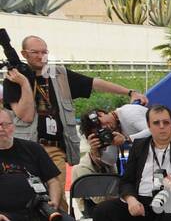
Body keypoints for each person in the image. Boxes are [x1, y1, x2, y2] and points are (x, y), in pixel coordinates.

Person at [4, 35, 146, 174]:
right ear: (24, 54)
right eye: (35, 52)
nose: (41, 56)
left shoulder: (59, 74)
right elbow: (26, 116)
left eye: (44, 52)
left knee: (57, 195)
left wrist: (129, 92)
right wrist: (24, 83)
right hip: (27, 146)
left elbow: (95, 83)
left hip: (55, 147)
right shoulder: (14, 79)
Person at [0, 107, 75, 221]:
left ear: (13, 127)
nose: (1, 129)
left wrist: (54, 201)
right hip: (6, 214)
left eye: (5, 124)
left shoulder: (32, 149)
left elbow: (53, 180)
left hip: (39, 209)